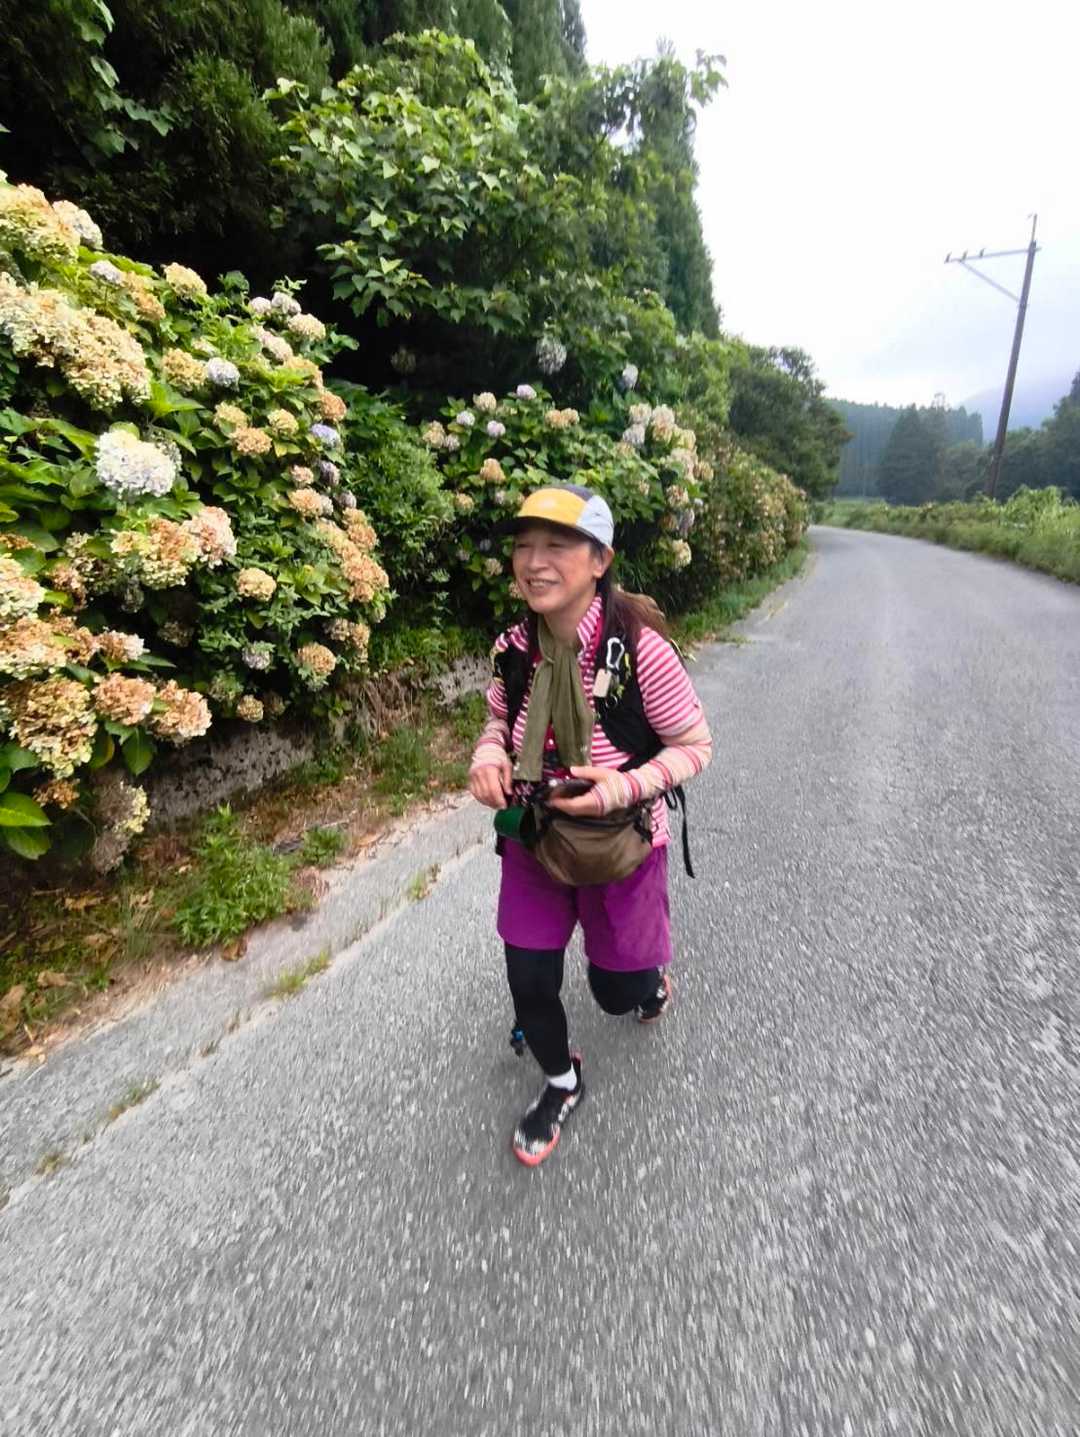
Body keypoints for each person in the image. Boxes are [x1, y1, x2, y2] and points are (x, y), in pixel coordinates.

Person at [469, 483, 713, 1167]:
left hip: (620, 847)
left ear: (600, 560)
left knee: (618, 993)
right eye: (524, 546)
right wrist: (488, 755)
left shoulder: (642, 652)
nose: (533, 562)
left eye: (557, 545)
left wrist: (622, 788)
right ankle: (560, 1081)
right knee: (529, 982)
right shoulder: (514, 646)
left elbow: (695, 745)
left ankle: (648, 981)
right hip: (536, 839)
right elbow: (497, 722)